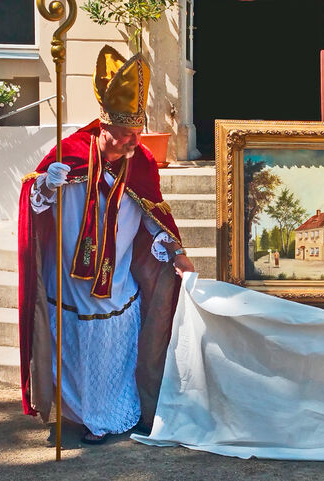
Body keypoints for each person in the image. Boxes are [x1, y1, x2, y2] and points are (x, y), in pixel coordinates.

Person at [18, 45, 194, 444]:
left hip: (114, 281)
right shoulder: (70, 154)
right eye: (127, 133)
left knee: (110, 350)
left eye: (138, 131)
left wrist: (177, 253)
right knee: (72, 348)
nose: (135, 139)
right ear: (104, 125)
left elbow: (154, 212)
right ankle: (76, 413)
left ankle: (110, 415)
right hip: (67, 274)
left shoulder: (142, 161)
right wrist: (46, 183)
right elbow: (34, 205)